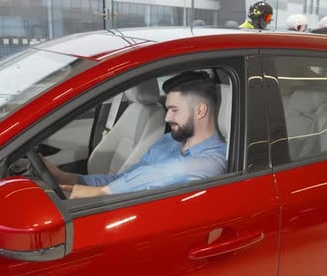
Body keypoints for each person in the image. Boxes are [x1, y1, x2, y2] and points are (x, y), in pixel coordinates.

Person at [47, 71, 227, 199]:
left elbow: (181, 170)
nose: (166, 117)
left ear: (200, 111)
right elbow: (125, 178)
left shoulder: (214, 158)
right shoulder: (168, 141)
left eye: (174, 110)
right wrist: (68, 178)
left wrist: (103, 192)